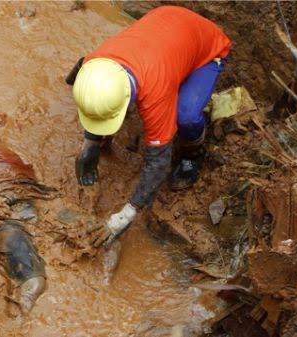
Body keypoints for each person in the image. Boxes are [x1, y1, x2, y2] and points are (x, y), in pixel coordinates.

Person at [67, 6, 231, 247]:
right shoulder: (95, 64)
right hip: (165, 24)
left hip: (207, 47)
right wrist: (89, 144)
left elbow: (159, 162)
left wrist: (127, 213)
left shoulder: (155, 95)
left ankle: (193, 155)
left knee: (185, 115)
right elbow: (79, 78)